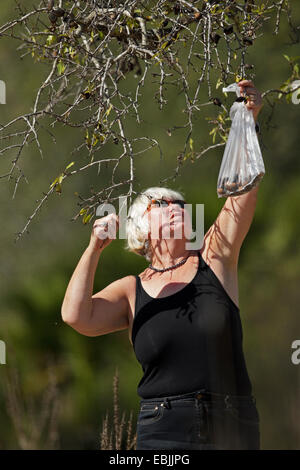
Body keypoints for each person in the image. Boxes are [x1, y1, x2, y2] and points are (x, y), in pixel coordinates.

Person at [61, 80, 263, 450]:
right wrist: (93, 249)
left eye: (179, 205)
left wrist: (246, 125)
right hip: (162, 426)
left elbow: (243, 191)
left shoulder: (214, 259)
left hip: (231, 422)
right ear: (141, 228)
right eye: (162, 205)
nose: (175, 208)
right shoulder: (129, 289)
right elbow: (76, 316)